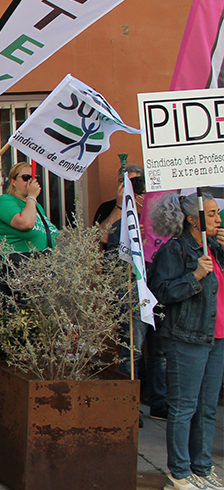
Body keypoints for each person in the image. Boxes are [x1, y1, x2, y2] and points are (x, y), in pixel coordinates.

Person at [146, 193, 224, 490]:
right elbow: (161, 291)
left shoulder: (214, 248)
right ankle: (178, 473)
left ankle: (202, 469)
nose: (219, 219)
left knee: (207, 408)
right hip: (186, 337)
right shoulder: (175, 251)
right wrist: (195, 276)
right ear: (194, 219)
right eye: (213, 214)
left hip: (215, 336)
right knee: (184, 407)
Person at [102, 168, 168, 423]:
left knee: (159, 350)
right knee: (133, 350)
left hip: (159, 290)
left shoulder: (159, 218)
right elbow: (111, 258)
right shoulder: (122, 221)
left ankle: (158, 400)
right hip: (132, 292)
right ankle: (129, 403)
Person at [0, 162, 57, 298]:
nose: (31, 181)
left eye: (34, 178)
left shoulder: (36, 206)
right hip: (10, 271)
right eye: (26, 177)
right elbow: (25, 223)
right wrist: (32, 197)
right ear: (13, 181)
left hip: (35, 272)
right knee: (14, 315)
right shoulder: (5, 201)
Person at [94, 164, 145, 230]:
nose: (126, 186)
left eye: (132, 182)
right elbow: (100, 236)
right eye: (122, 181)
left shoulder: (149, 205)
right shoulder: (106, 207)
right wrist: (119, 206)